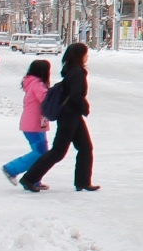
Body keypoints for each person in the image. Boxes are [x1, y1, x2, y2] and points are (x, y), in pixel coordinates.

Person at [22, 42, 96, 193]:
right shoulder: (77, 72)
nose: (87, 56)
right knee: (58, 151)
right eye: (85, 53)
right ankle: (29, 178)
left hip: (71, 115)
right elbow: (75, 95)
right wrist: (85, 107)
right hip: (70, 115)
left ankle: (83, 182)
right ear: (80, 55)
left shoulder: (69, 69)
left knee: (85, 147)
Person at [2, 59, 50, 184]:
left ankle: (34, 180)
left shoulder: (31, 83)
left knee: (41, 152)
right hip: (34, 125)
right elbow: (45, 99)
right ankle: (12, 168)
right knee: (40, 152)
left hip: (33, 124)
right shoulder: (38, 84)